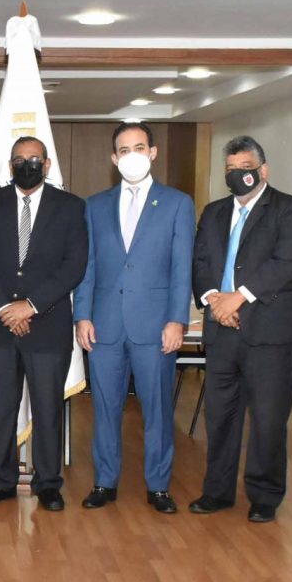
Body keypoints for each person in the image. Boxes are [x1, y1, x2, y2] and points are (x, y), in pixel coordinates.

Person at [188, 135, 292, 523]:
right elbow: (200, 261)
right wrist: (214, 300)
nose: (237, 174)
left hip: (268, 334)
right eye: (230, 169)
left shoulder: (289, 208)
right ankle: (217, 491)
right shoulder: (213, 212)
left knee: (268, 420)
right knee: (220, 417)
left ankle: (264, 495)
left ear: (263, 170)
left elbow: (287, 261)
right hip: (221, 330)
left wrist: (237, 298)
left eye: (245, 167)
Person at [74, 122, 194, 512]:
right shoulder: (95, 205)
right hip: (104, 325)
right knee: (105, 408)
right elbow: (88, 266)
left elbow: (182, 268)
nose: (132, 156)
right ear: (114, 158)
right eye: (124, 150)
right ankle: (104, 482)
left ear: (153, 153)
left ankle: (158, 486)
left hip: (156, 326)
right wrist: (82, 315)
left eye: (139, 148)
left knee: (157, 409)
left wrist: (177, 320)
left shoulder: (177, 203)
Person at [0, 136, 89, 510]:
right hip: (0, 324)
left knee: (48, 408)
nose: (27, 165)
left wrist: (31, 307)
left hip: (47, 324)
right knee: (1, 409)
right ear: (10, 166)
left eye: (34, 159)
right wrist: (6, 308)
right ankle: (1, 480)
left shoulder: (71, 206)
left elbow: (74, 265)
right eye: (19, 159)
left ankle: (48, 483)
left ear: (47, 164)